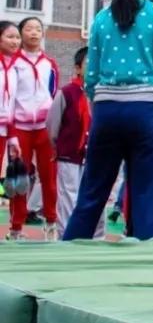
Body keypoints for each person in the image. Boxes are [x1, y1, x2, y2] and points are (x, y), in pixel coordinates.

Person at [63, 0, 153, 241]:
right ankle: (144, 267)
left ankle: (66, 256)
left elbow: (91, 75)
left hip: (106, 110)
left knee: (91, 194)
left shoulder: (102, 18)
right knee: (145, 196)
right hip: (147, 111)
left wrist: (98, 107)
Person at [9, 16, 61, 241]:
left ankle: (51, 223)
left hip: (43, 128)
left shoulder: (49, 63)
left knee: (49, 178)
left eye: (38, 29)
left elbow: (53, 93)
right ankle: (16, 227)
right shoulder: (12, 63)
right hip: (19, 127)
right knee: (20, 178)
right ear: (21, 34)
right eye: (28, 29)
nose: (33, 33)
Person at [45, 46, 99, 239]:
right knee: (69, 194)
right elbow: (53, 123)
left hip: (95, 153)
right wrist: (58, 145)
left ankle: (95, 236)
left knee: (95, 194)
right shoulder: (67, 92)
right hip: (69, 153)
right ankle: (66, 236)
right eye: (88, 63)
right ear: (77, 68)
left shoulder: (102, 93)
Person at [0, 21, 22, 204]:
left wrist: (13, 138)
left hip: (3, 131)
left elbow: (12, 105)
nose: (15, 41)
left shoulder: (15, 69)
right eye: (10, 36)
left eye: (17, 37)